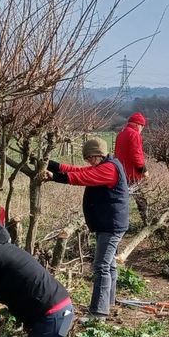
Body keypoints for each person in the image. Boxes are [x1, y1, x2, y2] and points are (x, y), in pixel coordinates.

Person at [43, 137, 129, 320]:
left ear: (99, 155)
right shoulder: (104, 165)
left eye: (90, 157)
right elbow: (78, 170)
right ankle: (109, 302)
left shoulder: (109, 168)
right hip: (108, 223)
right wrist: (51, 165)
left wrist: (55, 177)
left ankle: (98, 313)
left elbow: (82, 177)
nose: (89, 162)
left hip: (110, 225)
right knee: (109, 264)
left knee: (101, 266)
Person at [114, 112, 149, 224]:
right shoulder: (134, 134)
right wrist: (144, 171)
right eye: (142, 126)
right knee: (141, 200)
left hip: (120, 172)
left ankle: (117, 221)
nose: (142, 129)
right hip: (132, 174)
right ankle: (146, 222)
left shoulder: (121, 133)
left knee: (121, 198)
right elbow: (137, 156)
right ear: (138, 124)